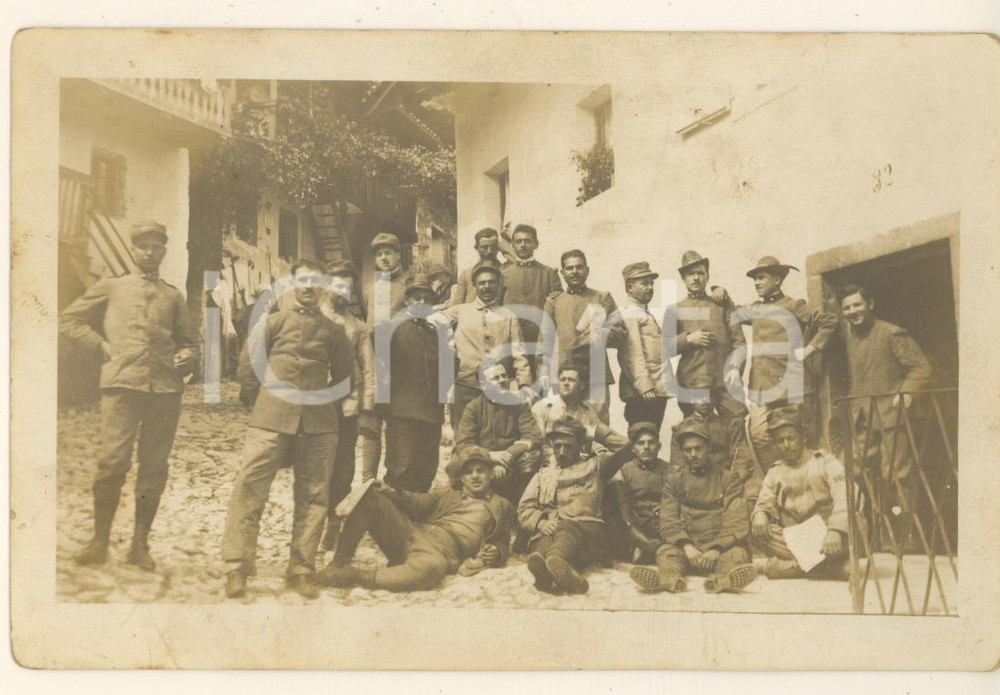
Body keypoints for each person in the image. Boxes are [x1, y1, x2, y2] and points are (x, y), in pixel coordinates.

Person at [59, 221, 196, 571]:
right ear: (134, 250)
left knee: (154, 467)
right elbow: (68, 320)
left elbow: (188, 342)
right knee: (112, 462)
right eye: (143, 246)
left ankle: (139, 545)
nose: (150, 252)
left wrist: (187, 356)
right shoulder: (111, 287)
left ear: (164, 251)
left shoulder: (173, 295)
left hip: (164, 389)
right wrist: (100, 345)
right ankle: (99, 542)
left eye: (156, 247)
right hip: (121, 385)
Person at [221, 259, 352, 600]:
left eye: (315, 282)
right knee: (249, 488)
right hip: (271, 418)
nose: (308, 288)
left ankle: (302, 568)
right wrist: (266, 402)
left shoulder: (334, 330)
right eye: (302, 281)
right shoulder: (272, 323)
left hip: (319, 423)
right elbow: (248, 371)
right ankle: (237, 566)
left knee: (314, 495)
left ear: (323, 287)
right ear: (292, 285)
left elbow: (342, 377)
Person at [315, 451, 515, 591]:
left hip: (440, 553)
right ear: (461, 478)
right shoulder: (448, 494)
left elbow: (502, 541)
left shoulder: (501, 505)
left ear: (490, 473)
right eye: (468, 472)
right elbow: (418, 503)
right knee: (372, 496)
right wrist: (390, 492)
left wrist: (496, 552)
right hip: (413, 535)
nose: (475, 476)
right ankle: (339, 564)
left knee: (431, 568)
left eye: (480, 470)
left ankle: (355, 576)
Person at [839, 284, 932, 531]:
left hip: (892, 417)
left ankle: (907, 534)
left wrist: (907, 393)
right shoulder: (850, 337)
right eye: (846, 307)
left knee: (896, 475)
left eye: (857, 305)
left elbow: (920, 368)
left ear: (870, 304)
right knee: (852, 470)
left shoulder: (891, 333)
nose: (852, 311)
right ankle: (867, 532)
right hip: (863, 420)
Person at [730, 256, 837, 470]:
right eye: (755, 280)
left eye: (761, 278)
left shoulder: (793, 305)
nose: (757, 283)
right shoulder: (755, 308)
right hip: (761, 385)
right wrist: (719, 293)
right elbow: (731, 313)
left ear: (777, 280)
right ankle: (778, 479)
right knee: (760, 434)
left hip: (790, 384)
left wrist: (810, 349)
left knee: (800, 436)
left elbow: (829, 322)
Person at [629, 418, 758, 594]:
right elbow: (668, 519)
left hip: (719, 549)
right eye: (688, 450)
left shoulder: (728, 479)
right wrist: (687, 547)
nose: (693, 454)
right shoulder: (675, 479)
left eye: (698, 448)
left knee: (737, 554)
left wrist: (716, 549)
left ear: (709, 448)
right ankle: (669, 579)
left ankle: (723, 580)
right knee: (666, 552)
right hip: (686, 549)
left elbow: (737, 520)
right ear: (682, 452)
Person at [518, 418, 632, 595]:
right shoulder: (544, 474)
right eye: (557, 446)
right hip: (552, 530)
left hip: (588, 535)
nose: (562, 452)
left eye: (569, 446)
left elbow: (625, 447)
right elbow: (524, 508)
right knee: (541, 545)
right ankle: (553, 575)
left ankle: (555, 561)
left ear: (581, 444)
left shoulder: (597, 467)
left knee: (565, 528)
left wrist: (595, 432)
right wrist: (540, 523)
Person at [750, 406, 850, 580]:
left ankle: (779, 568)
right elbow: (764, 502)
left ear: (803, 437)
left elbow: (846, 494)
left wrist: (835, 530)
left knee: (857, 526)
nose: (787, 445)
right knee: (760, 531)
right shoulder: (775, 473)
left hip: (827, 535)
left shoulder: (824, 462)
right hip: (795, 539)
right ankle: (832, 568)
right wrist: (760, 515)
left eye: (791, 438)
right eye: (780, 441)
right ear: (774, 444)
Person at [438, 259, 533, 430]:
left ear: (498, 284)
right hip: (465, 385)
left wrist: (524, 384)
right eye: (482, 283)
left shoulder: (508, 315)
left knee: (494, 436)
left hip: (497, 387)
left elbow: (519, 354)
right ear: (474, 286)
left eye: (491, 282)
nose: (486, 286)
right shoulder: (460, 310)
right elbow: (431, 324)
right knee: (463, 437)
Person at [320, 259, 375, 551]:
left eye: (348, 287)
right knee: (316, 465)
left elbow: (367, 368)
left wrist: (366, 407)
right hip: (315, 405)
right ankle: (312, 521)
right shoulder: (314, 317)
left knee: (343, 467)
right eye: (338, 284)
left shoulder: (357, 326)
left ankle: (333, 523)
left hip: (347, 406)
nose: (342, 292)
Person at [378, 274, 446, 493]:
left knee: (426, 470)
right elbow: (380, 368)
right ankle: (391, 524)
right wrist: (382, 406)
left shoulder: (434, 333)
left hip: (431, 414)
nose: (422, 303)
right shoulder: (391, 329)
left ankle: (416, 520)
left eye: (427, 299)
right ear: (407, 301)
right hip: (402, 413)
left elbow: (444, 370)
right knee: (400, 469)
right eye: (417, 298)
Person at [664, 250, 747, 419]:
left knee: (736, 423)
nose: (696, 278)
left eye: (700, 273)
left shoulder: (722, 305)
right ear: (683, 278)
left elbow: (739, 343)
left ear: (708, 277)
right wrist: (687, 339)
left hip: (726, 381)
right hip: (693, 382)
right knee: (699, 433)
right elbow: (663, 348)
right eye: (690, 274)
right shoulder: (674, 310)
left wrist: (735, 369)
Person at [539, 249, 618, 423]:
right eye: (569, 268)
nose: (574, 272)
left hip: (595, 372)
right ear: (562, 273)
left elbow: (620, 331)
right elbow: (544, 342)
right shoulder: (554, 302)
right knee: (563, 426)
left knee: (597, 426)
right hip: (564, 375)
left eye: (579, 267)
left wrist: (596, 334)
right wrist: (543, 373)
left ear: (587, 270)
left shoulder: (602, 298)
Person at [449, 363, 543, 506]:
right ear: (483, 385)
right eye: (496, 377)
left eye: (504, 375)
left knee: (532, 456)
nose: (502, 380)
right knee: (455, 462)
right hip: (482, 460)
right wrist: (491, 456)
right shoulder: (473, 407)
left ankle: (523, 508)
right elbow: (464, 443)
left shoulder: (519, 403)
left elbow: (532, 436)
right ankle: (460, 506)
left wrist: (508, 455)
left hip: (512, 461)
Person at [361, 232, 413, 484]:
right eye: (379, 254)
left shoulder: (409, 286)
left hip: (401, 364)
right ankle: (367, 479)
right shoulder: (371, 288)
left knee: (396, 425)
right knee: (371, 424)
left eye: (388, 253)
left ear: (398, 255)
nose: (383, 258)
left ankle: (394, 480)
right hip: (374, 363)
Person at [668, 400, 762, 507]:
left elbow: (742, 458)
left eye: (708, 395)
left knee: (753, 489)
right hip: (697, 479)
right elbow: (677, 465)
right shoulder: (681, 429)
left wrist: (731, 480)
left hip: (727, 479)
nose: (704, 400)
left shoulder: (729, 424)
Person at [606, 422, 673, 564]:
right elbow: (622, 504)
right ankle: (643, 548)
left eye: (651, 442)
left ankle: (650, 551)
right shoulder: (624, 470)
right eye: (641, 443)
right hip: (634, 522)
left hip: (662, 520)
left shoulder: (669, 470)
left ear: (659, 447)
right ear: (633, 449)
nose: (646, 447)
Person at [617, 261, 672, 431]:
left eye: (651, 283)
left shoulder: (644, 313)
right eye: (644, 283)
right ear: (629, 287)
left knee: (651, 437)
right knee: (642, 438)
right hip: (642, 392)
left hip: (654, 389)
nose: (650, 288)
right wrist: (644, 385)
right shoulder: (630, 314)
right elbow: (631, 353)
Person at [531, 363, 629, 456]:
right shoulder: (542, 407)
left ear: (582, 385)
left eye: (571, 380)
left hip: (580, 465)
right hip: (551, 464)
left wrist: (600, 453)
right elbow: (538, 444)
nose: (566, 383)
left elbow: (599, 441)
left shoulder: (588, 412)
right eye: (562, 379)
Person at [499, 223, 563, 353]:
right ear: (512, 245)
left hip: (541, 340)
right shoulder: (503, 275)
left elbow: (559, 307)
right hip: (511, 341)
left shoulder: (549, 273)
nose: (523, 245)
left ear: (536, 244)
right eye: (518, 241)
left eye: (527, 241)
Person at [448, 227, 502, 307]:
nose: (489, 251)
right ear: (476, 248)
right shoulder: (467, 274)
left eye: (493, 246)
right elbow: (457, 306)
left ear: (498, 247)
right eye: (484, 247)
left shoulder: (506, 272)